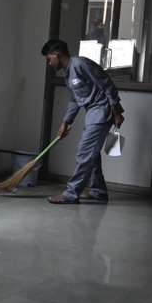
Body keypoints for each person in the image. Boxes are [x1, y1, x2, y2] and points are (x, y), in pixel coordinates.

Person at [41, 38, 124, 204]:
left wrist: (116, 109)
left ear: (56, 55)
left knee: (84, 153)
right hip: (92, 113)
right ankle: (98, 191)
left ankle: (71, 193)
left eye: (49, 58)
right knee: (92, 154)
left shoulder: (80, 63)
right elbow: (74, 100)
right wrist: (66, 122)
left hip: (101, 111)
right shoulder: (68, 73)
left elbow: (106, 82)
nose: (49, 63)